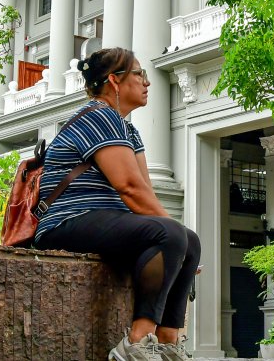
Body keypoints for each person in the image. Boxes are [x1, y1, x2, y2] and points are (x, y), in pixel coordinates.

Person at [33, 48, 200, 361]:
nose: (147, 82)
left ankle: (166, 343)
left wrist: (182, 245)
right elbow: (130, 188)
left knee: (189, 240)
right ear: (113, 80)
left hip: (103, 220)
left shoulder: (127, 128)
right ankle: (137, 343)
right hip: (67, 220)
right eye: (139, 74)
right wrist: (174, 233)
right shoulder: (99, 115)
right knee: (174, 234)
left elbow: (144, 194)